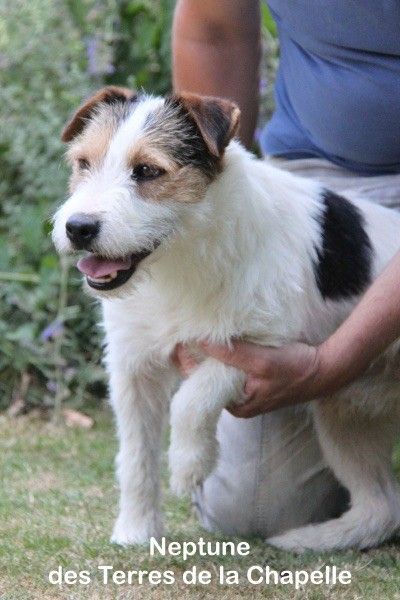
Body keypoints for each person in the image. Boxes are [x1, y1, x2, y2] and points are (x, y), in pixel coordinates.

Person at [172, 0, 400, 537]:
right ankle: (378, 502)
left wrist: (330, 363)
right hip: (319, 182)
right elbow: (213, 27)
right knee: (253, 512)